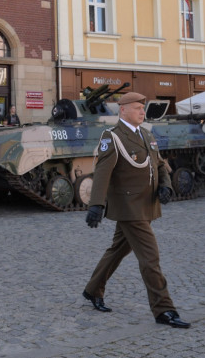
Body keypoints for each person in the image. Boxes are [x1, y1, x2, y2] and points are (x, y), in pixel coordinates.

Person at [81, 92, 190, 328]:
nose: (143, 112)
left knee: (117, 250)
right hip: (129, 207)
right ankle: (164, 309)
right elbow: (102, 173)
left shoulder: (147, 134)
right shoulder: (112, 137)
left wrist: (166, 186)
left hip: (146, 204)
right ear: (123, 110)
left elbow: (160, 164)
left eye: (143, 107)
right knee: (150, 259)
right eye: (138, 108)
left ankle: (93, 289)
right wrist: (96, 204)